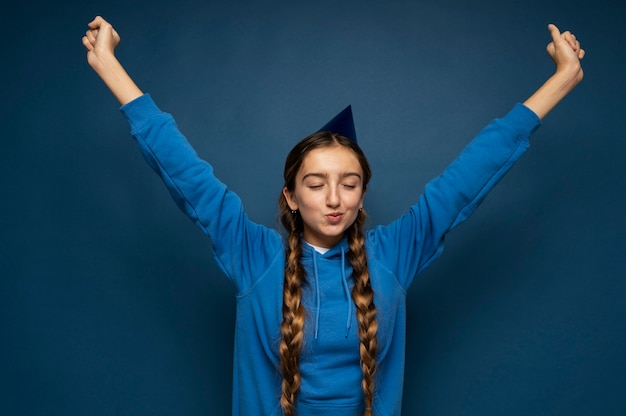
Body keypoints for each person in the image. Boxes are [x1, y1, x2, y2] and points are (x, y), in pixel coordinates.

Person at [82, 15, 585, 416]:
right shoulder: (252, 254)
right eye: (316, 184)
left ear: (363, 197)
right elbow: (181, 168)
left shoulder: (393, 254)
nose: (334, 198)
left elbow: (470, 175)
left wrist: (561, 80)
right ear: (291, 197)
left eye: (349, 184)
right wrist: (107, 64)